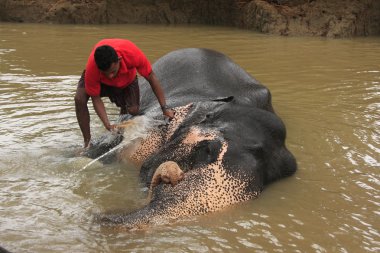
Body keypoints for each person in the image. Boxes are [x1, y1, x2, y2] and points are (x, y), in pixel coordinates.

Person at [74, 38, 175, 148]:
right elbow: (95, 98)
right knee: (79, 98)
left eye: (112, 71)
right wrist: (107, 124)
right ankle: (87, 142)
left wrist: (165, 108)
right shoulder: (92, 67)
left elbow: (151, 77)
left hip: (127, 80)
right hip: (101, 83)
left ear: (119, 59)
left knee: (133, 110)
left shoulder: (132, 54)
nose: (110, 76)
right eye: (106, 73)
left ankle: (121, 127)